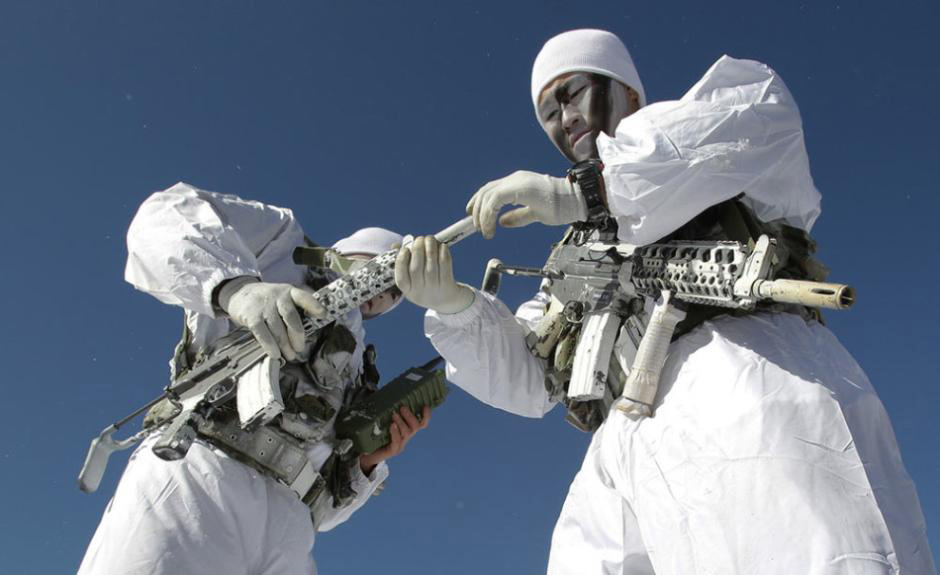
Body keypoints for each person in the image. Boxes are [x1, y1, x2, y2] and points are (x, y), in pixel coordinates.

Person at [396, 29, 935, 574]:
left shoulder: (697, 133)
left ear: (628, 90)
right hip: (621, 442)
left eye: (572, 92)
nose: (565, 118)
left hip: (737, 374)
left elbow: (762, 111)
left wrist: (591, 190)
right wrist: (455, 305)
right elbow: (532, 379)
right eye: (548, 114)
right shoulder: (572, 255)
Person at [79, 182, 430, 575]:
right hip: (204, 472)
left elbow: (328, 514)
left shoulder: (359, 364)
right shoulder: (282, 245)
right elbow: (165, 213)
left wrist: (364, 463)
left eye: (395, 294)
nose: (383, 295)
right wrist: (236, 290)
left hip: (292, 523)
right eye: (383, 273)